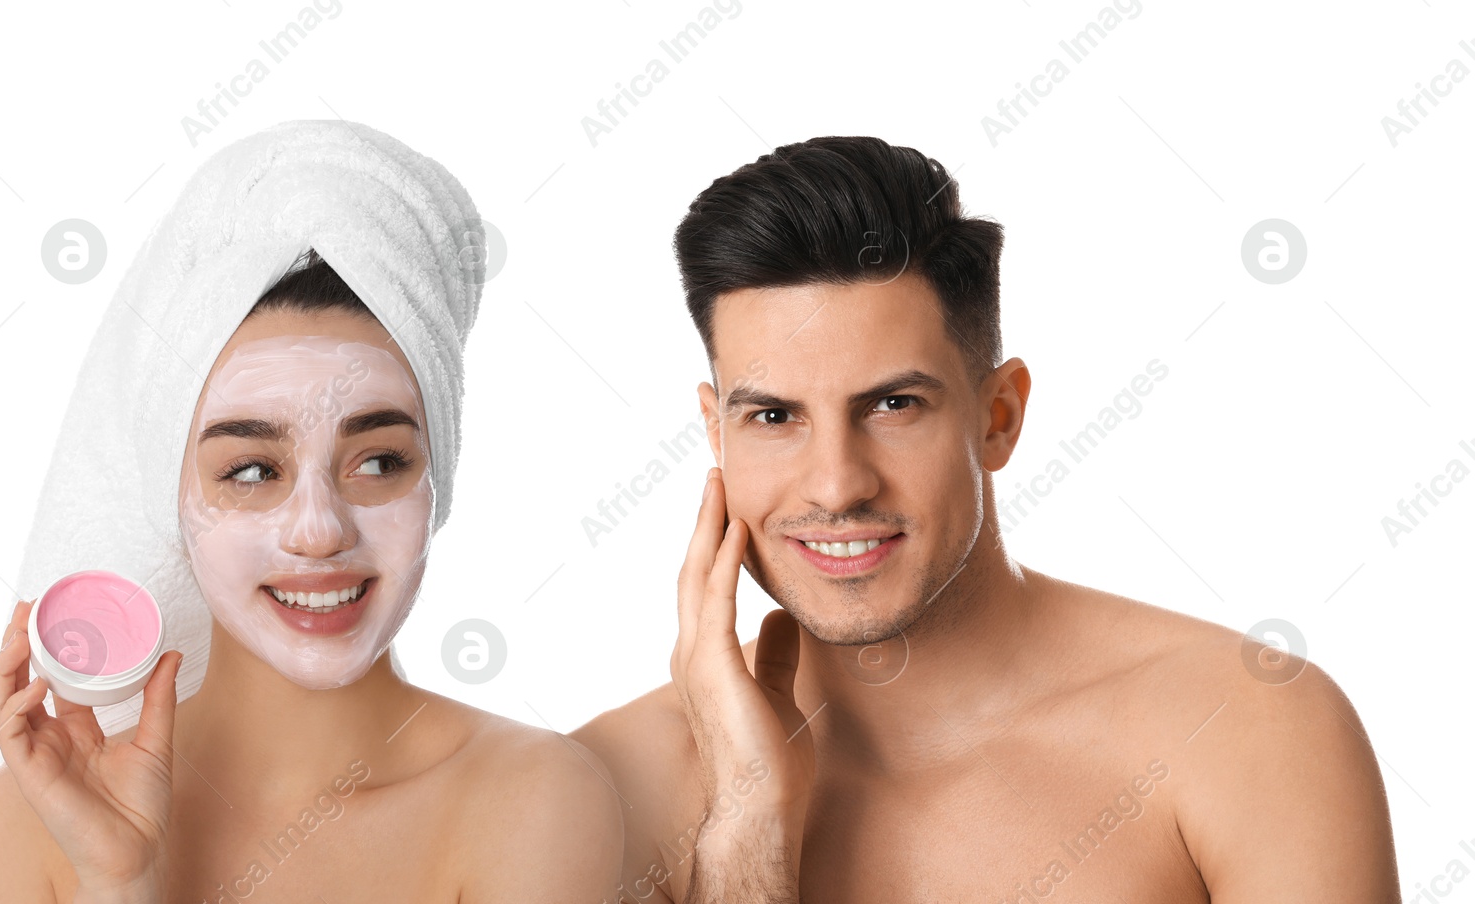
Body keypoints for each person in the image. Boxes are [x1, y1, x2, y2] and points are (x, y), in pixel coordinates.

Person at [570, 135, 1400, 903]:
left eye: (893, 404)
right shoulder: (604, 794)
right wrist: (745, 835)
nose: (835, 485)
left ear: (997, 416)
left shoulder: (1246, 729)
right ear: (717, 432)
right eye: (775, 418)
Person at [0, 121, 622, 904]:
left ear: (438, 477)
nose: (318, 529)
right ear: (171, 495)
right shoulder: (20, 825)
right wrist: (118, 878)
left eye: (378, 461)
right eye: (251, 470)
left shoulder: (533, 800)